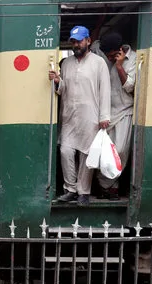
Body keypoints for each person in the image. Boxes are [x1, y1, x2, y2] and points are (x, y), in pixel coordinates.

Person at [49, 25, 111, 206]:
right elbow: (63, 90)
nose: (76, 44)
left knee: (86, 155)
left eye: (79, 41)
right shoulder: (66, 64)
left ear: (88, 41)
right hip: (69, 115)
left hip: (90, 116)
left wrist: (104, 116)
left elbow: (104, 90)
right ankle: (70, 189)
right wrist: (58, 81)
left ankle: (83, 192)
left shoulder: (99, 63)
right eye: (74, 41)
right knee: (65, 151)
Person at [91, 32, 136, 200]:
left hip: (124, 111)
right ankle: (107, 188)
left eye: (112, 55)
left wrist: (119, 66)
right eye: (107, 55)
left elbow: (130, 87)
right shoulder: (101, 54)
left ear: (119, 50)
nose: (109, 58)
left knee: (120, 151)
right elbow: (94, 42)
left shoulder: (133, 59)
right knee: (100, 151)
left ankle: (108, 185)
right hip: (103, 111)